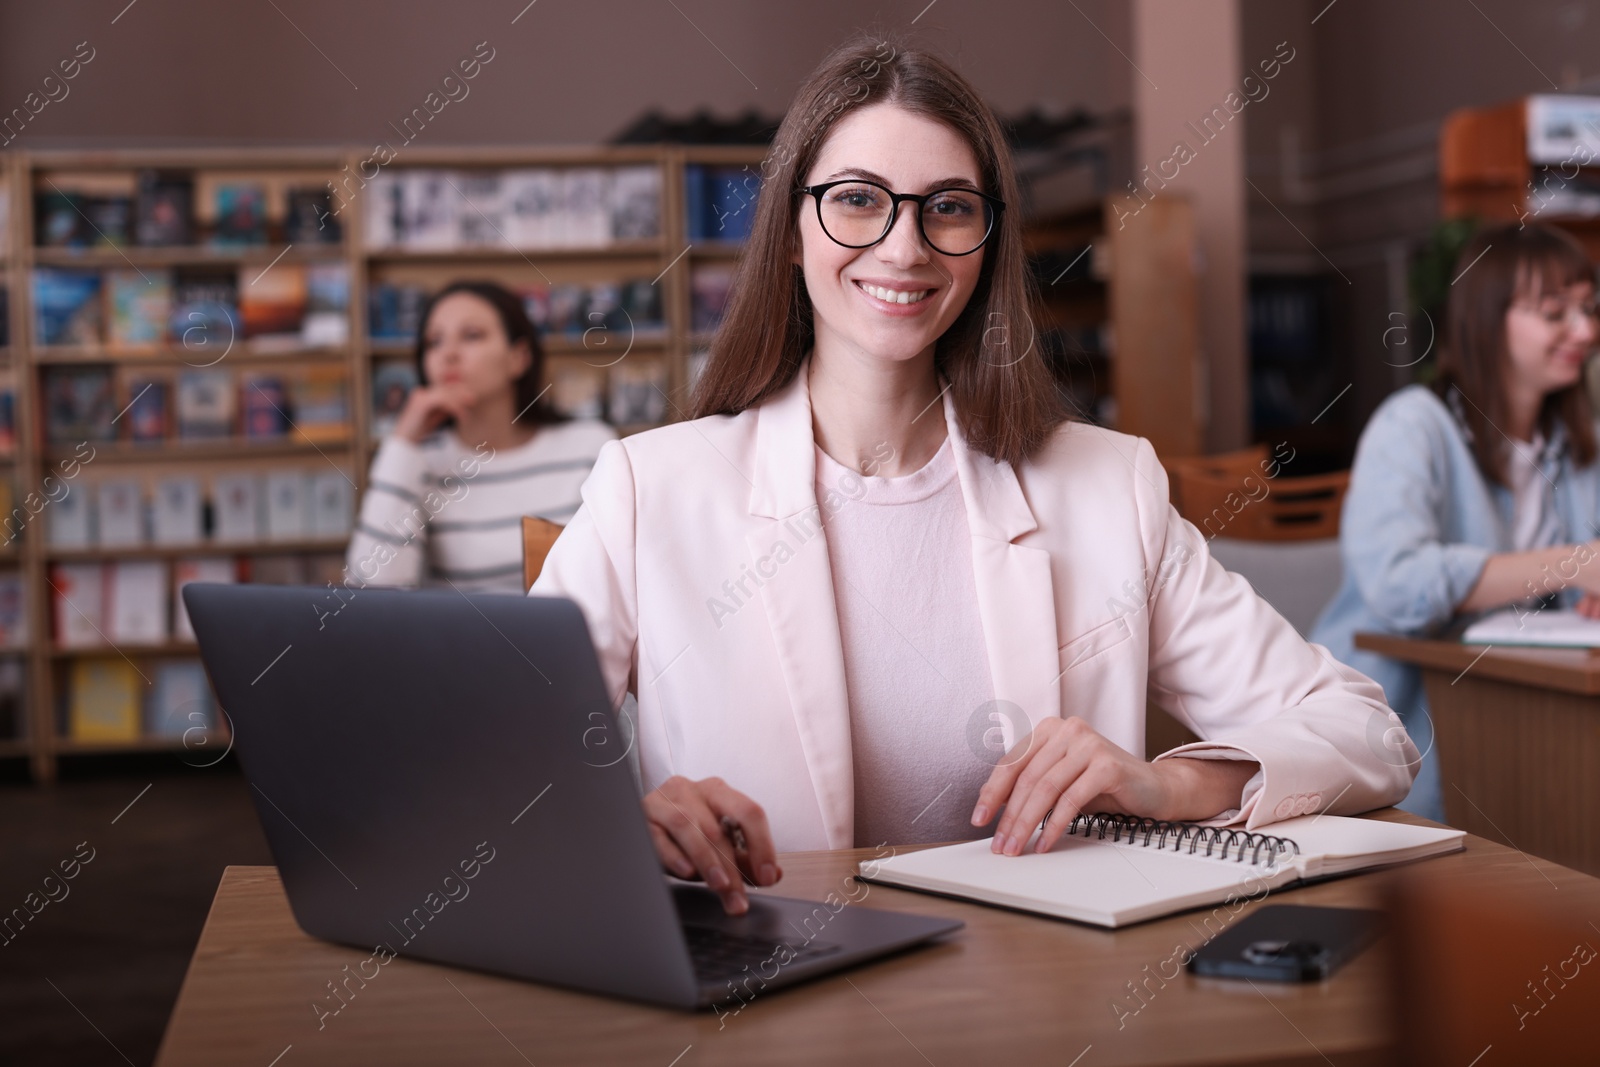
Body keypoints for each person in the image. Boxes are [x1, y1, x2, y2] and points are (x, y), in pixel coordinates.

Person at [531, 36, 1417, 916]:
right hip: (767, 1001)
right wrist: (620, 821)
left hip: (1042, 1003)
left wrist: (1165, 784)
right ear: (792, 234)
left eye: (947, 207)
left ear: (989, 241)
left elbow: (1368, 732)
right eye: (856, 200)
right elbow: (485, 769)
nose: (904, 246)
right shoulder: (652, 490)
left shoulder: (1108, 488)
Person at [1312, 222, 1600, 823]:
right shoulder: (1411, 426)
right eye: (1556, 313)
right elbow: (1398, 583)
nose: (1586, 331)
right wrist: (1574, 566)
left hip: (1521, 713)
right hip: (1398, 732)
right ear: (1490, 320)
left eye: (1589, 309)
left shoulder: (1575, 444)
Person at [346, 281, 615, 593]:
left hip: (572, 639)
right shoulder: (420, 462)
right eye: (434, 341)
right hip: (462, 641)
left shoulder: (590, 447)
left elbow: (622, 582)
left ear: (520, 356)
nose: (448, 354)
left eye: (472, 335)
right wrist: (403, 442)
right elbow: (373, 593)